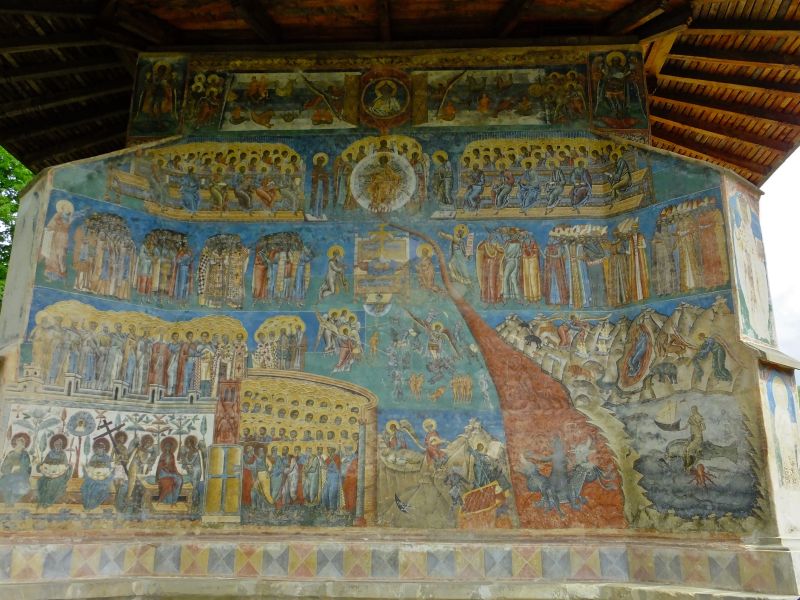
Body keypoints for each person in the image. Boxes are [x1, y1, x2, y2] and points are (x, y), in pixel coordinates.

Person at [37, 434, 71, 507]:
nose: (58, 445)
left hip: (59, 474)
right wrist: (41, 465)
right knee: (41, 481)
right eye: (56, 444)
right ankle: (42, 500)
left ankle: (48, 501)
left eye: (59, 444)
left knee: (52, 483)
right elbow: (45, 463)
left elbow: (65, 466)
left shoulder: (63, 454)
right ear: (54, 444)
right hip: (49, 473)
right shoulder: (50, 453)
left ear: (61, 445)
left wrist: (59, 468)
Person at [81, 439, 114, 510]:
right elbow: (90, 467)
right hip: (93, 476)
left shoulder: (107, 457)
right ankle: (87, 504)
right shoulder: (94, 456)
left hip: (103, 477)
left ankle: (92, 505)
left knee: (99, 488)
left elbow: (109, 469)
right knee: (86, 486)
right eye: (98, 449)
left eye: (101, 449)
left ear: (103, 449)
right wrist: (86, 468)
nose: (99, 450)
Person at [0, 433, 32, 506]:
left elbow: (28, 467)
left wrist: (20, 468)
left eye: (21, 444)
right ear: (15, 444)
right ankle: (8, 502)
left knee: (22, 487)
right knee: (5, 484)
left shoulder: (25, 455)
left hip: (21, 476)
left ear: (24, 445)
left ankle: (12, 501)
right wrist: (11, 469)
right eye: (18, 443)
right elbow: (3, 467)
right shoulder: (10, 453)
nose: (19, 445)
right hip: (9, 475)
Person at [156, 437, 183, 504]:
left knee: (179, 479)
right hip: (163, 473)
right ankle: (167, 501)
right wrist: (157, 476)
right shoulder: (163, 455)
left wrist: (177, 472)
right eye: (167, 446)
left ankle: (174, 500)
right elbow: (159, 466)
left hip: (170, 473)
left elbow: (173, 466)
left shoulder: (172, 455)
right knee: (169, 481)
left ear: (171, 447)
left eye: (169, 446)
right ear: (164, 447)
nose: (168, 447)